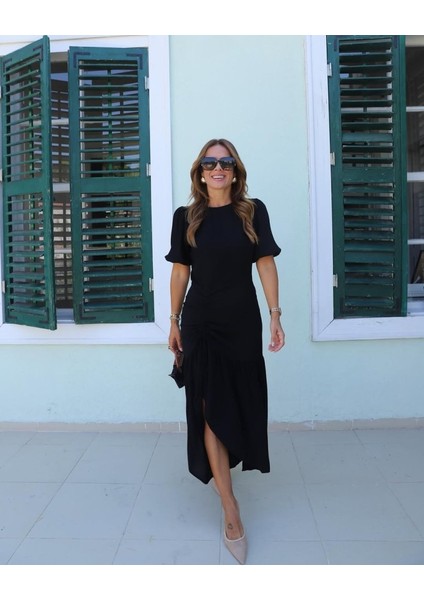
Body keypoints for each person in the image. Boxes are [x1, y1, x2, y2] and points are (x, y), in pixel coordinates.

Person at [165, 138, 285, 564]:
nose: (218, 168)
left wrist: (275, 314)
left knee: (236, 400)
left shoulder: (252, 212)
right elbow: (180, 272)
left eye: (226, 162)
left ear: (235, 172)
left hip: (241, 323)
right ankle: (230, 508)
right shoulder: (186, 218)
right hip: (200, 323)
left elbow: (265, 262)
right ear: (200, 172)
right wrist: (174, 319)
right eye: (210, 162)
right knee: (208, 407)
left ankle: (230, 479)